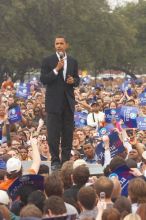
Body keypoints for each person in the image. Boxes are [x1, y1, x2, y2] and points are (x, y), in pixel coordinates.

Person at [40, 36, 80, 171]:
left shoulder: (73, 61)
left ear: (66, 45)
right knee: (53, 134)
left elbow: (77, 80)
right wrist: (56, 69)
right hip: (53, 103)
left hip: (68, 102)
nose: (59, 46)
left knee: (68, 134)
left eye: (61, 43)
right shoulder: (48, 60)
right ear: (54, 45)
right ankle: (55, 161)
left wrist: (73, 81)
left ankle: (65, 161)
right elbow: (44, 79)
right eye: (56, 43)